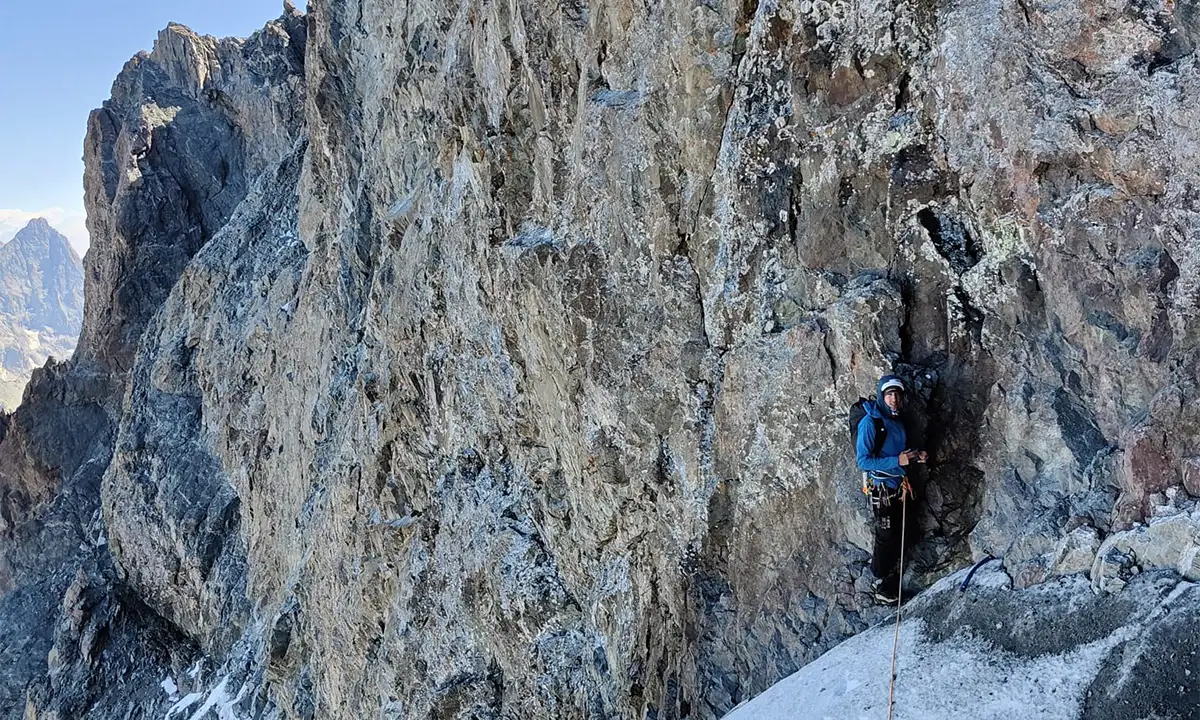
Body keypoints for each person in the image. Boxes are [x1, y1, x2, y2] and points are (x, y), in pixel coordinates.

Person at [856, 375, 926, 603]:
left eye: (896, 395)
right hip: (881, 488)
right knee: (886, 536)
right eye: (889, 395)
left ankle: (891, 577)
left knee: (900, 531)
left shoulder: (896, 420)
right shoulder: (870, 423)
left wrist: (915, 456)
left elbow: (898, 452)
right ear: (881, 396)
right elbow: (863, 461)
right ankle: (879, 582)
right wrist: (898, 461)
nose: (893, 399)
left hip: (898, 486)